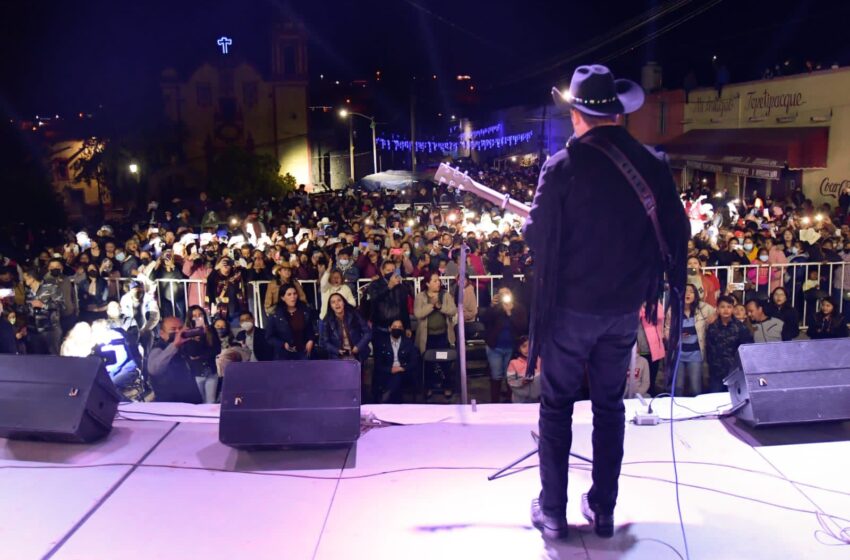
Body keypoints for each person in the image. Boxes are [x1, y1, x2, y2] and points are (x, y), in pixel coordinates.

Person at [524, 65, 689, 540]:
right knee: (609, 408)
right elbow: (677, 232)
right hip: (622, 312)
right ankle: (603, 509)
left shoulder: (562, 166)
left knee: (556, 407)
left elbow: (536, 235)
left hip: (568, 312)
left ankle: (552, 512)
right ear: (617, 114)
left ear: (578, 115)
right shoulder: (652, 163)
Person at [413, 271, 458, 399]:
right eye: (434, 281)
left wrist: (440, 307)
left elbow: (453, 311)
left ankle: (447, 386)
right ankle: (428, 387)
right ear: (427, 283)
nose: (438, 283)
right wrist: (432, 306)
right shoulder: (421, 297)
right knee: (428, 364)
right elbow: (418, 313)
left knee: (445, 363)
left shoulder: (446, 296)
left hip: (443, 336)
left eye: (438, 280)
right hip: (427, 338)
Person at [480, 286, 528, 403]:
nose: (504, 296)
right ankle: (495, 402)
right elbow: (484, 320)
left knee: (510, 376)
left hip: (512, 348)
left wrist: (510, 313)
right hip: (495, 347)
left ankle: (510, 400)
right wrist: (492, 306)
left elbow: (523, 327)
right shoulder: (495, 308)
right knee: (496, 375)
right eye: (501, 294)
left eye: (507, 293)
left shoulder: (518, 308)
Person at [669, 284, 715, 396]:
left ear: (695, 295)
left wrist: (712, 320)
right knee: (678, 388)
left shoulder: (702, 309)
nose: (688, 294)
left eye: (691, 291)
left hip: (695, 354)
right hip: (679, 354)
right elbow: (666, 330)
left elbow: (717, 311)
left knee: (695, 388)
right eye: (685, 291)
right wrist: (676, 336)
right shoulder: (673, 310)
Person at [147, 317, 204, 403]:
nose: (178, 332)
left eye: (180, 329)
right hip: (171, 405)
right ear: (162, 333)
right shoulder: (158, 349)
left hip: (191, 400)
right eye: (173, 329)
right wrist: (174, 345)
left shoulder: (184, 345)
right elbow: (154, 369)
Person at [706, 295, 754, 393]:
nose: (726, 310)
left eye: (729, 307)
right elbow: (709, 350)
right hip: (716, 372)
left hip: (735, 371)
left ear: (732, 309)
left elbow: (747, 350)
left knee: (735, 399)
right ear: (718, 309)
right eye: (722, 307)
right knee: (715, 399)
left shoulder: (741, 328)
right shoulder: (712, 327)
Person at [372, 319, 420, 403]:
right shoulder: (382, 342)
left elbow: (414, 361)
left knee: (397, 377)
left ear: (403, 329)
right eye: (394, 327)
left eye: (399, 327)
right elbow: (378, 363)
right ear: (390, 328)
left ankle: (386, 398)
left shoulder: (408, 342)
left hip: (404, 372)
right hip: (387, 372)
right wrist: (390, 369)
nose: (397, 329)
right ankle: (394, 401)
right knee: (395, 379)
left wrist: (402, 368)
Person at [266, 284, 318, 360]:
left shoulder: (305, 311)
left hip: (303, 352)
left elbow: (310, 330)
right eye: (289, 294)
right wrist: (283, 344)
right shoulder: (275, 314)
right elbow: (269, 337)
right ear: (283, 298)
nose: (293, 297)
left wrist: (310, 340)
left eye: (294, 294)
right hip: (283, 355)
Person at [22, 268, 65, 354]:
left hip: (50, 329)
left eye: (25, 278)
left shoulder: (51, 288)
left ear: (32, 278)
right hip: (33, 331)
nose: (24, 280)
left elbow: (61, 305)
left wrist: (43, 305)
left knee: (53, 357)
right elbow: (28, 309)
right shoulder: (28, 292)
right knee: (38, 359)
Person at [183, 306, 220, 403]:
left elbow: (217, 349)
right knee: (199, 402)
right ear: (190, 318)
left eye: (200, 315)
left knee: (211, 402)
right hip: (196, 373)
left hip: (211, 371)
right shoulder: (187, 333)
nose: (198, 318)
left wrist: (201, 356)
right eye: (194, 316)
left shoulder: (211, 330)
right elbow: (191, 353)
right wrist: (194, 338)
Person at [321, 293, 371, 363]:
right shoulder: (326, 320)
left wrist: (358, 347)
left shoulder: (355, 314)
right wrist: (337, 351)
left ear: (344, 302)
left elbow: (368, 333)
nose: (337, 304)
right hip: (338, 357)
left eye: (339, 300)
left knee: (359, 373)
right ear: (330, 306)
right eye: (333, 302)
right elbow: (324, 342)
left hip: (358, 355)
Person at [506, 336, 541, 403]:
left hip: (537, 399)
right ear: (519, 349)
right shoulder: (513, 363)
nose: (527, 349)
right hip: (519, 399)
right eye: (524, 346)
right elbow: (511, 381)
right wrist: (522, 381)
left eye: (530, 345)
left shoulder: (540, 360)